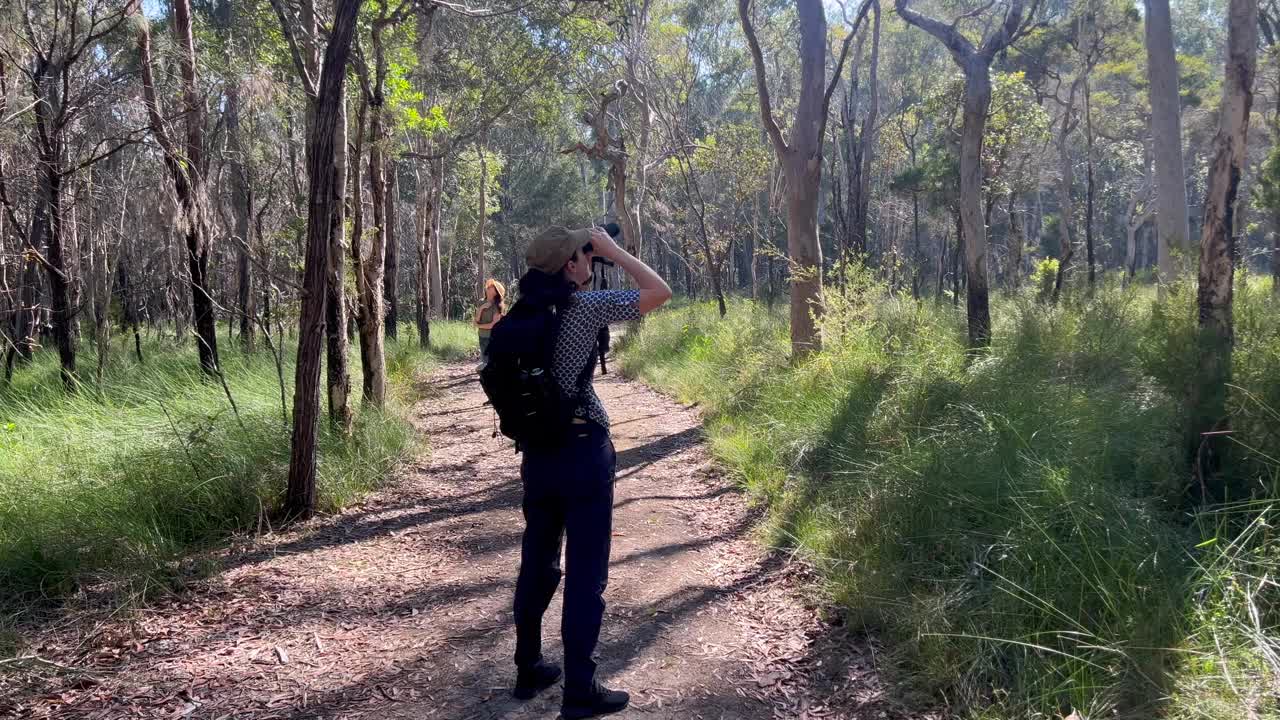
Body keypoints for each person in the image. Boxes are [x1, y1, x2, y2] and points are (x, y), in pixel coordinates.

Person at [510, 225, 671, 719]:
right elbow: (659, 292)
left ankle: (528, 667)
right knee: (585, 574)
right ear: (571, 266)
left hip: (538, 455)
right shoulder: (587, 309)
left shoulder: (517, 317)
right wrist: (614, 250)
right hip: (583, 452)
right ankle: (580, 690)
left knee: (537, 562)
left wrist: (589, 253)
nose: (588, 258)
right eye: (582, 254)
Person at [474, 278, 506, 363]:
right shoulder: (481, 302)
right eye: (489, 285)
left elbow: (493, 325)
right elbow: (476, 320)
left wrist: (479, 326)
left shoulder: (497, 306)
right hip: (482, 336)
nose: (488, 286)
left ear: (495, 292)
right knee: (484, 361)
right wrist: (481, 308)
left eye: (492, 286)